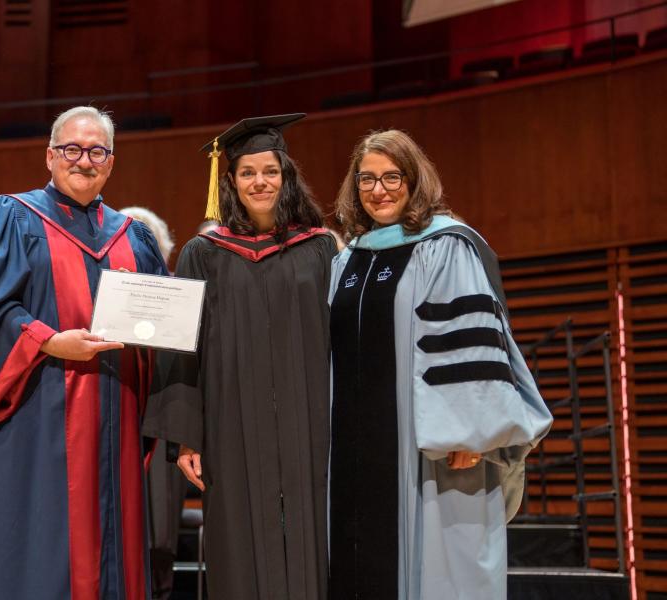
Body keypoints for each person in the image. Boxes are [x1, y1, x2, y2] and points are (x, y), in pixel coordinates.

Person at [0, 106, 168, 600]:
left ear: (110, 162)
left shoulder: (134, 236)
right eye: (71, 149)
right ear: (50, 156)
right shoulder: (10, 218)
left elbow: (161, 325)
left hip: (115, 419)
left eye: (96, 151)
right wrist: (48, 340)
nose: (83, 160)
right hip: (34, 421)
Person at [327, 129, 553, 600]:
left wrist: (469, 433)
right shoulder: (347, 258)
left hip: (429, 446)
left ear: (414, 181)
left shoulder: (446, 245)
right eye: (366, 179)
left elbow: (468, 348)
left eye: (392, 177)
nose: (379, 190)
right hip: (352, 446)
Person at [143, 114, 336, 600]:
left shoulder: (320, 250)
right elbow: (182, 348)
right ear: (230, 181)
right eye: (248, 173)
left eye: (270, 171)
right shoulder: (203, 253)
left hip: (310, 421)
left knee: (312, 535)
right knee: (237, 537)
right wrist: (188, 438)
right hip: (232, 425)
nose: (260, 182)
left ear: (286, 176)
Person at [119, 205, 185, 600]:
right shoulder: (101, 295)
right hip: (119, 418)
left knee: (158, 534)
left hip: (163, 424)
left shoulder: (177, 294)